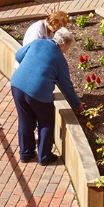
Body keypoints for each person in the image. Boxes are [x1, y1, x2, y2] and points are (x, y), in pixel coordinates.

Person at [9, 19, 82, 164]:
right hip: (38, 91)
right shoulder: (59, 58)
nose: (67, 50)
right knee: (46, 122)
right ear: (63, 44)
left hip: (17, 84)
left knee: (25, 120)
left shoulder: (37, 42)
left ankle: (26, 154)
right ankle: (44, 156)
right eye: (68, 47)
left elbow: (18, 55)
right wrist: (76, 104)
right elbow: (66, 85)